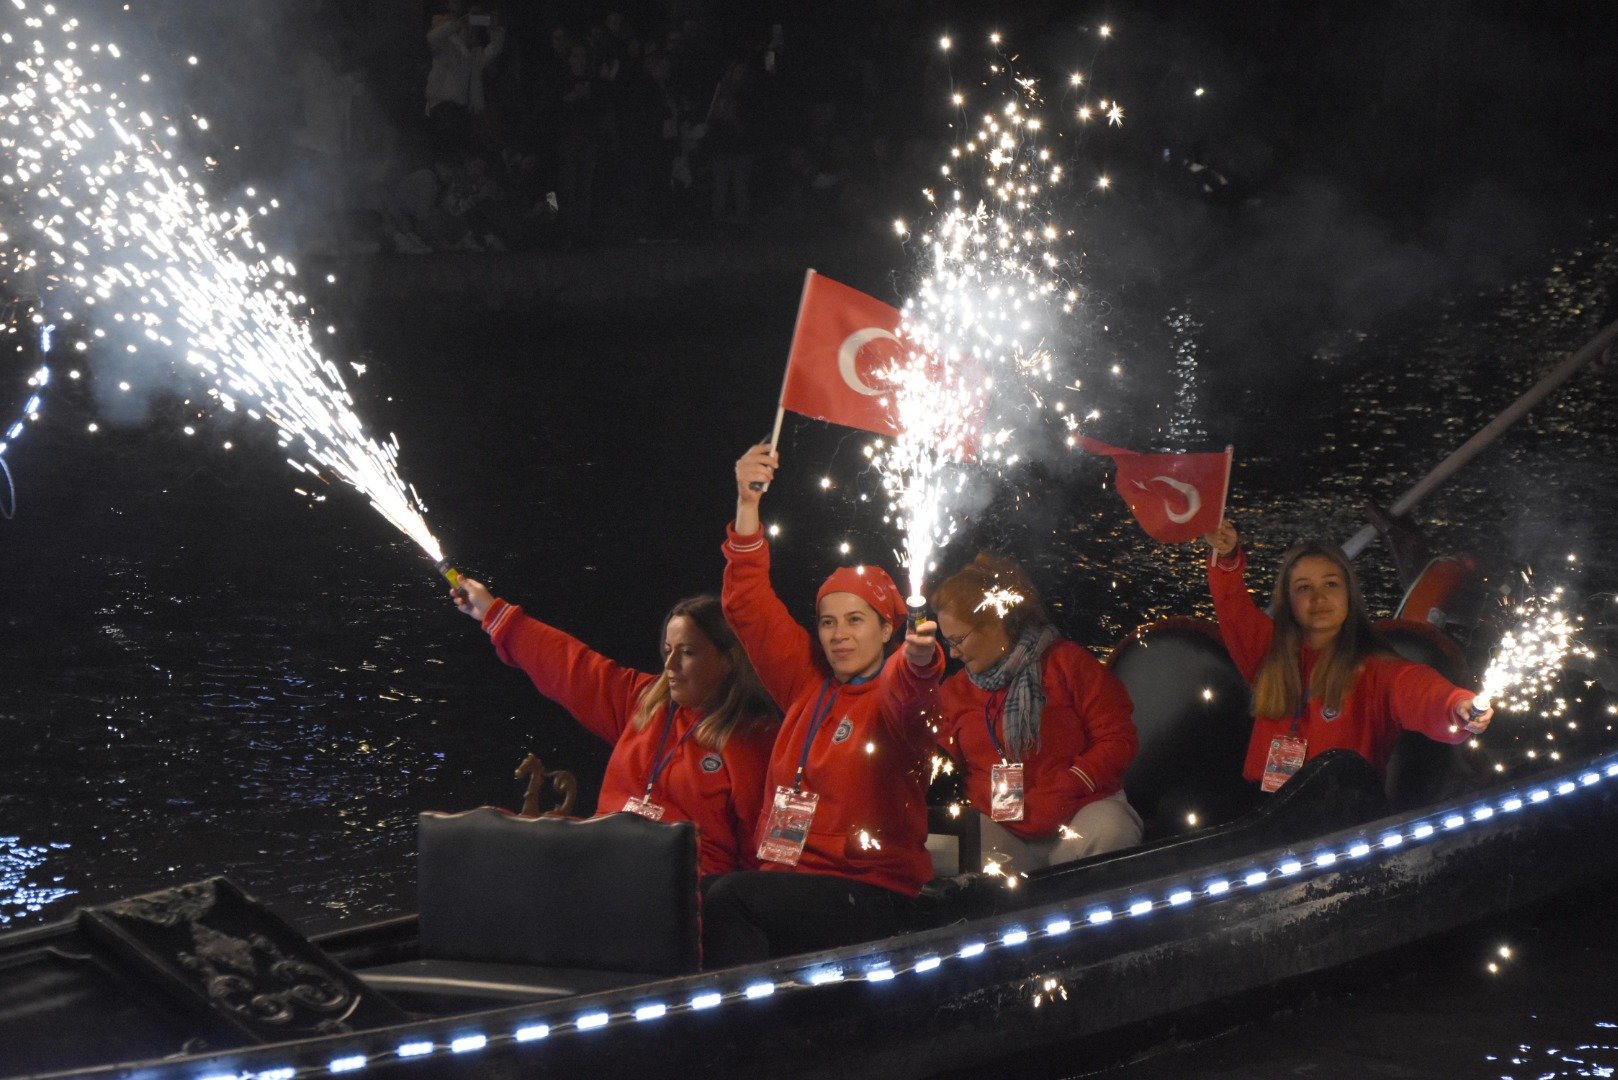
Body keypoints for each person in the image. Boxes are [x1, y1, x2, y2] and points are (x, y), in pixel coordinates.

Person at [702, 443, 943, 967]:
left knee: (728, 900)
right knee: (693, 895)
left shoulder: (892, 699)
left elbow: (913, 692)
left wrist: (922, 659)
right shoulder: (809, 686)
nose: (838, 635)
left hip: (871, 891)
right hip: (792, 882)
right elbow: (747, 605)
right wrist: (747, 507)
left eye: (856, 621)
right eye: (828, 622)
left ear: (887, 628)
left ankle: (753, 1032)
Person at [452, 580, 777, 880]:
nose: (670, 664)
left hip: (682, 889)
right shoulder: (645, 702)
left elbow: (760, 856)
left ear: (729, 660)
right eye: (668, 650)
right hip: (607, 863)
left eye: (688, 652)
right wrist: (493, 612)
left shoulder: (754, 741)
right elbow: (570, 668)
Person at [1202, 518, 1493, 793]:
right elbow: (1233, 608)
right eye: (1304, 588)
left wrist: (1458, 706)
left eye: (1331, 584)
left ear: (1349, 594)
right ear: (1288, 601)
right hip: (1265, 817)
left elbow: (1420, 691)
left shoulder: (1376, 669)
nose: (1319, 598)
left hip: (1342, 817)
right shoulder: (1269, 652)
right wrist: (1226, 556)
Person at [930, 553, 1143, 873]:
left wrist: (1071, 784)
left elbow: (1117, 737)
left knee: (1111, 828)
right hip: (1005, 836)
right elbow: (936, 767)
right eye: (947, 641)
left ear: (994, 623)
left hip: (1079, 817)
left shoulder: (1067, 664)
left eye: (958, 640)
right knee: (940, 841)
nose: (953, 652)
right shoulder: (954, 692)